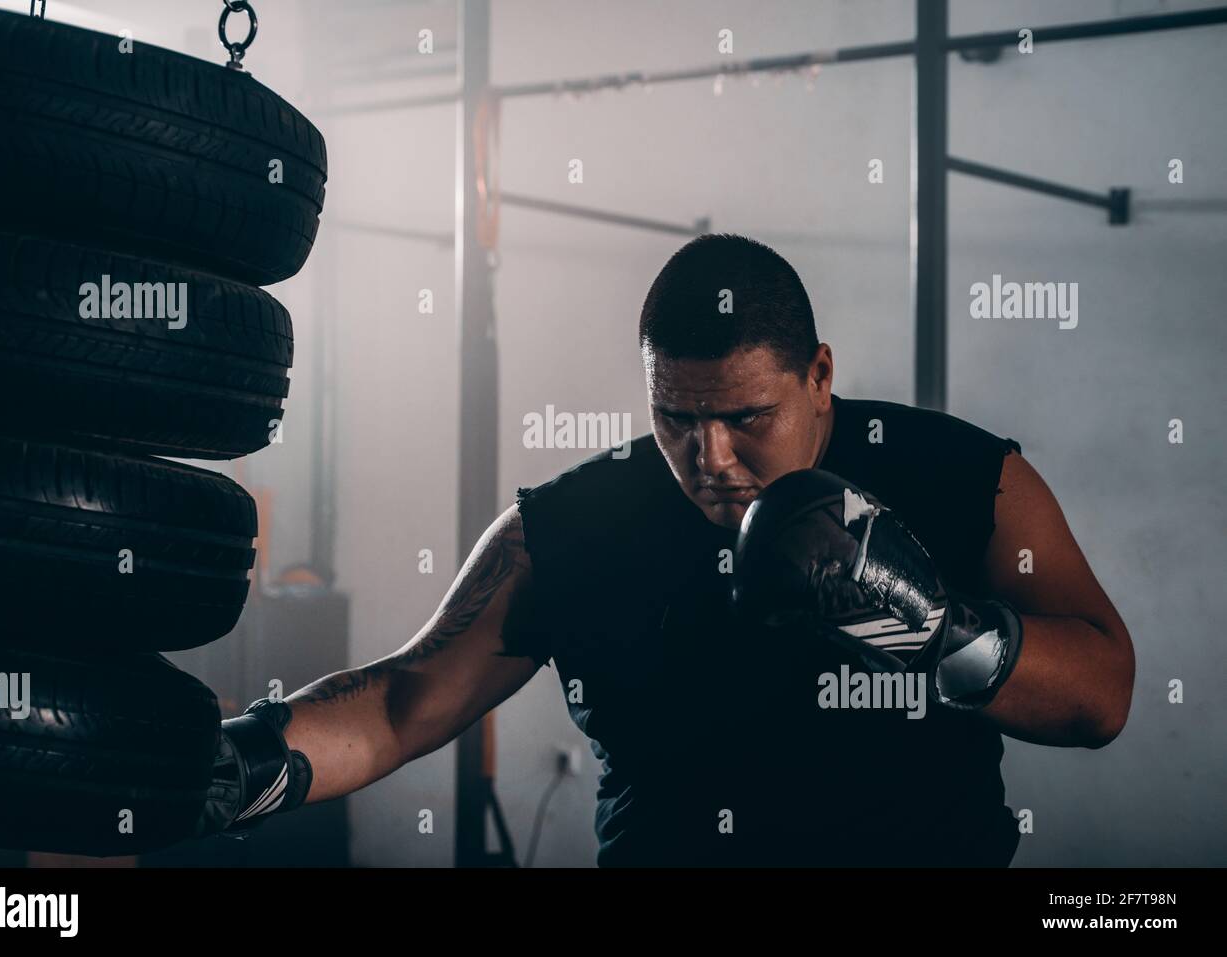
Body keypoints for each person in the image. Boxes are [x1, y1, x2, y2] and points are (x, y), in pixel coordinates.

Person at [201, 234, 1135, 866]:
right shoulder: (570, 526)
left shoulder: (960, 477)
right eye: (676, 418)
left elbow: (1103, 698)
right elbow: (403, 704)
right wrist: (228, 766)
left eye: (745, 417)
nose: (710, 458)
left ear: (819, 377)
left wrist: (938, 630)